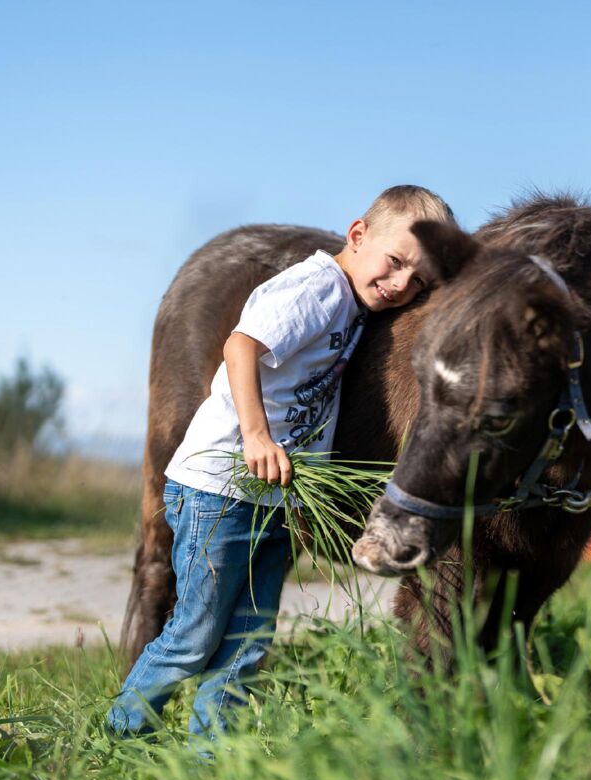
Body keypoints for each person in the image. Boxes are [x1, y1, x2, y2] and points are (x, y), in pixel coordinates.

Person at [106, 185, 455, 743]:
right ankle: (123, 734)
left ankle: (209, 754)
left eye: (418, 281)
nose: (399, 286)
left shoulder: (357, 304)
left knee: (248, 639)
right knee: (195, 637)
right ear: (358, 235)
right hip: (220, 488)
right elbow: (241, 346)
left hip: (272, 497)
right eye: (394, 265)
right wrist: (255, 435)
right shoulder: (314, 288)